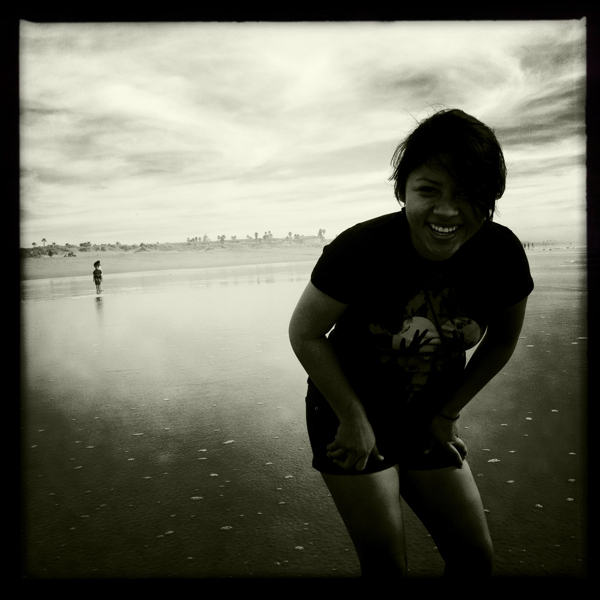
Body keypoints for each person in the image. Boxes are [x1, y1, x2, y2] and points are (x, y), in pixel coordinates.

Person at [288, 108, 534, 578]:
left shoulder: (500, 254)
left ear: (491, 197)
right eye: (428, 191)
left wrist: (447, 414)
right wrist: (353, 420)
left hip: (428, 419)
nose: (446, 211)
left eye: (467, 194)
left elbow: (502, 341)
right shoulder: (360, 250)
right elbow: (305, 333)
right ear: (403, 191)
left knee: (474, 559)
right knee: (386, 567)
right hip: (347, 417)